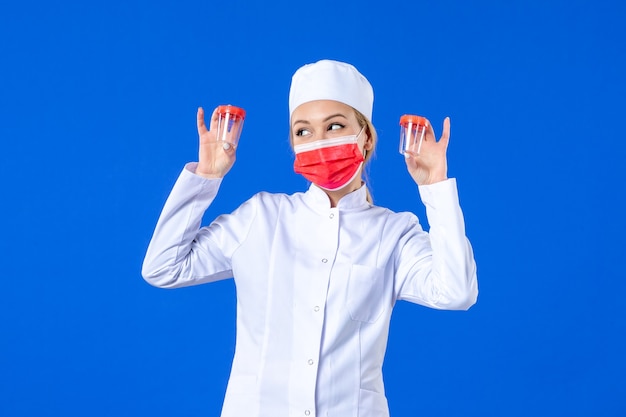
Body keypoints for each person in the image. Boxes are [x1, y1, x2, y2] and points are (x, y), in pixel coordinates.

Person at [142, 59, 478, 417]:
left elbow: (456, 292)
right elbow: (163, 268)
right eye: (303, 132)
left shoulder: (393, 233)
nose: (319, 141)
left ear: (365, 138)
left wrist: (435, 188)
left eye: (335, 126)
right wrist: (206, 178)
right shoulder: (261, 217)